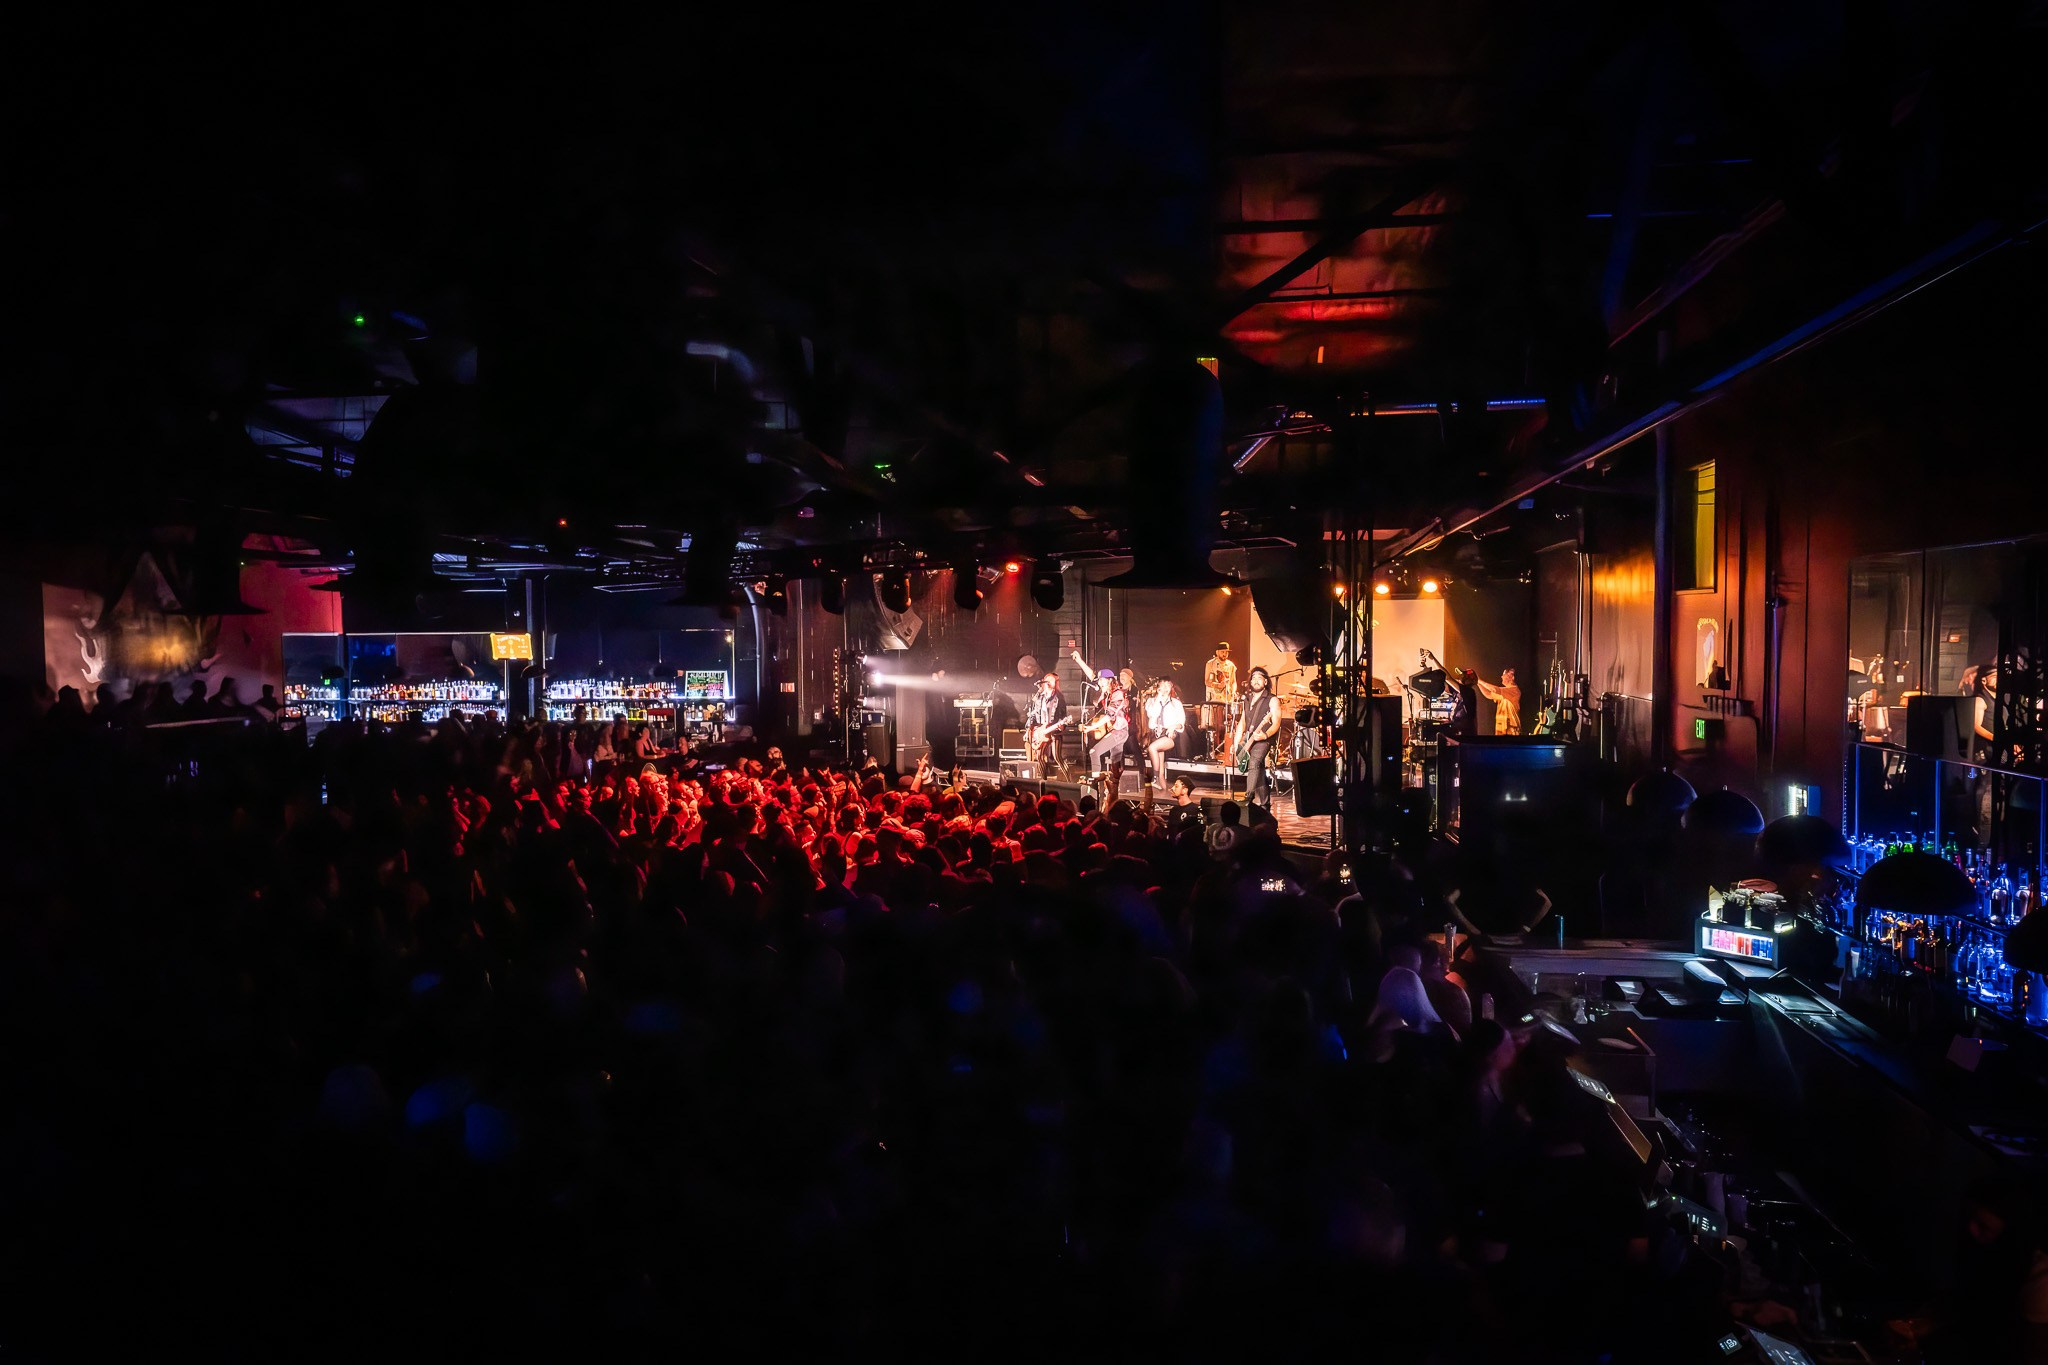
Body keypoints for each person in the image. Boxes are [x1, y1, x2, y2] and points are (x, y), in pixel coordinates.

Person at [1233, 666, 1280, 809]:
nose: (1256, 681)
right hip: (1248, 738)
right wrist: (1236, 743)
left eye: (1259, 678)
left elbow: (1276, 722)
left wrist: (1265, 734)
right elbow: (1243, 721)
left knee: (1254, 762)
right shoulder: (1247, 699)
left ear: (1265, 682)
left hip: (1263, 740)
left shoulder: (1272, 700)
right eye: (1253, 678)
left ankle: (1248, 797)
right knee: (1258, 770)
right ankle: (1265, 803)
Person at [1142, 678, 1186, 794]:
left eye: (1168, 685)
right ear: (1158, 687)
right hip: (1155, 734)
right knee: (1161, 770)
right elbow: (1152, 714)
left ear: (1172, 686)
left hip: (1169, 735)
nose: (1166, 688)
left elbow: (1181, 722)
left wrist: (1173, 727)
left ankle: (1155, 778)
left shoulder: (1176, 703)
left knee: (1152, 748)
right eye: (1163, 685)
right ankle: (1164, 793)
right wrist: (1158, 698)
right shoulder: (1151, 701)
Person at [1024, 670, 1068, 772]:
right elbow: (1034, 714)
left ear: (1055, 683)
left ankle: (1069, 782)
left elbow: (1063, 715)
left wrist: (1062, 725)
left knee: (1058, 758)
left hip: (1053, 731)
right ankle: (1043, 783)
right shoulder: (1039, 697)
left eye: (1051, 680)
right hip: (1041, 731)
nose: (1048, 681)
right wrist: (1029, 729)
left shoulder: (1059, 698)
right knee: (1040, 758)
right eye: (1047, 679)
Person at [1473, 667, 1522, 736]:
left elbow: (1494, 689)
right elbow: (1488, 694)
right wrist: (1477, 683)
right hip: (1501, 732)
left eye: (1504, 675)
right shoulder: (1504, 693)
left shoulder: (1514, 691)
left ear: (1511, 677)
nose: (1501, 677)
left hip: (1511, 732)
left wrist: (1479, 681)